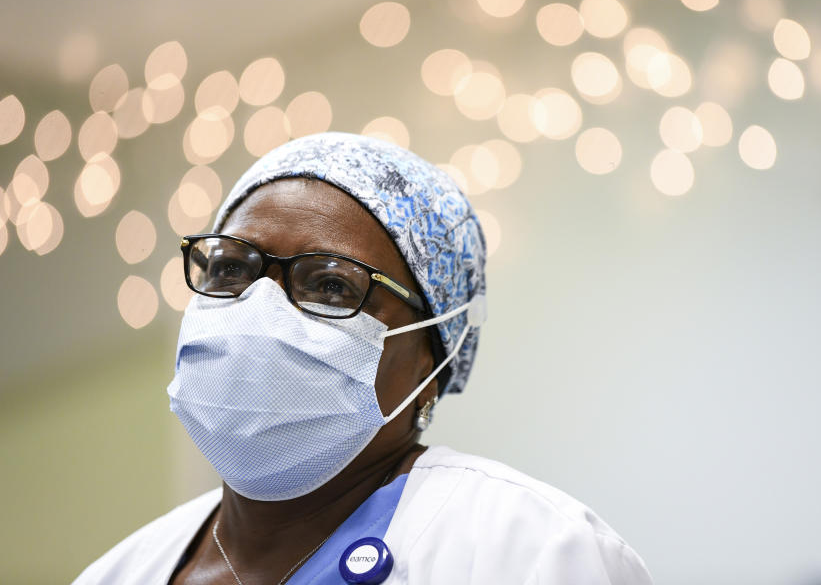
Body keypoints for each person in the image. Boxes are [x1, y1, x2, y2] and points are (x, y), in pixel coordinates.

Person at [72, 132, 652, 584]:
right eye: (230, 269)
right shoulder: (116, 574)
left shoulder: (532, 552)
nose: (259, 309)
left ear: (432, 362)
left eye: (330, 285)